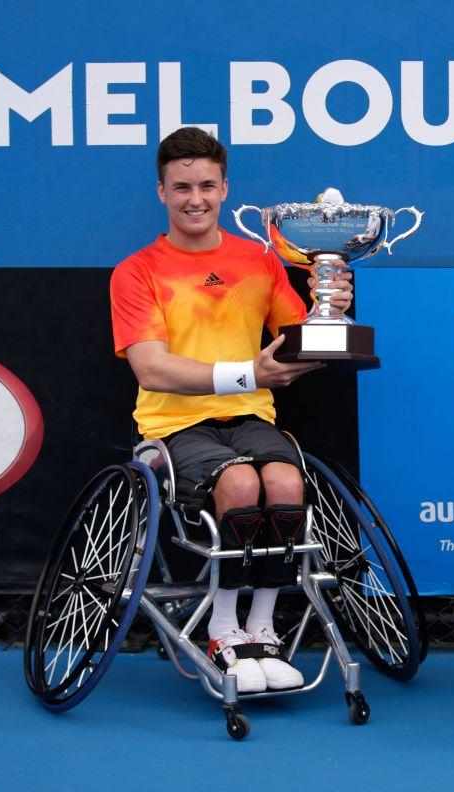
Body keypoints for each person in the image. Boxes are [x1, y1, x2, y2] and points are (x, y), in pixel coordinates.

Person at [109, 127, 354, 693]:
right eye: (182, 187)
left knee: (287, 483)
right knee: (242, 487)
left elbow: (297, 340)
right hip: (174, 424)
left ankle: (262, 628)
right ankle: (224, 631)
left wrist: (330, 310)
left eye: (207, 186)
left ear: (225, 190)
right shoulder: (137, 270)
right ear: (162, 193)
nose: (195, 198)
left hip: (252, 419)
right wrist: (251, 372)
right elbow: (151, 368)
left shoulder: (260, 260)